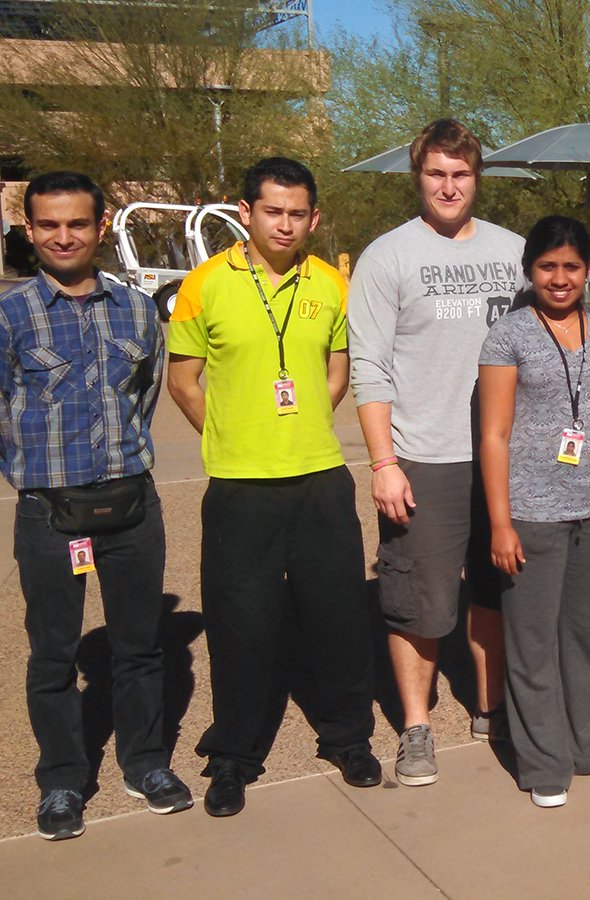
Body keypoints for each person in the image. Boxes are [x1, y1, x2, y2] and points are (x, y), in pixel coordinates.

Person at [0, 171, 191, 841]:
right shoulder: (3, 318)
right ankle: (63, 780)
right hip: (50, 510)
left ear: (100, 228)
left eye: (76, 224)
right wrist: (41, 480)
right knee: (52, 654)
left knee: (140, 647)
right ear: (28, 230)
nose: (62, 236)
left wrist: (114, 462)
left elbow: (144, 395)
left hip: (130, 505)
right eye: (48, 225)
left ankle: (146, 764)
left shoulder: (136, 310)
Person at [166, 157, 379, 817]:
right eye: (272, 211)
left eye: (297, 214)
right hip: (241, 489)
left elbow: (338, 369)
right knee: (242, 628)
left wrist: (307, 418)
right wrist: (229, 436)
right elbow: (182, 381)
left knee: (338, 619)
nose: (285, 225)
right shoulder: (203, 286)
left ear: (312, 218)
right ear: (246, 212)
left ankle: (348, 737)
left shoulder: (330, 284)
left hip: (319, 479)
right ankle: (232, 756)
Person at [348, 119, 526, 787]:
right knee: (417, 602)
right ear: (417, 176)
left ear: (477, 178)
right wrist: (383, 462)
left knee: (496, 592)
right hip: (423, 457)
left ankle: (493, 706)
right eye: (436, 174)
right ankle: (416, 727)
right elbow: (369, 369)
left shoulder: (514, 253)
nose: (449, 186)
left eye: (461, 174)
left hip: (504, 456)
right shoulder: (386, 257)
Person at [477, 216, 590, 808]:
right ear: (530, 270)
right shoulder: (508, 336)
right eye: (547, 267)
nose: (559, 279)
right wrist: (500, 521)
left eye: (571, 267)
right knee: (532, 642)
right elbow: (495, 434)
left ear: (589, 269)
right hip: (531, 512)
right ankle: (544, 761)